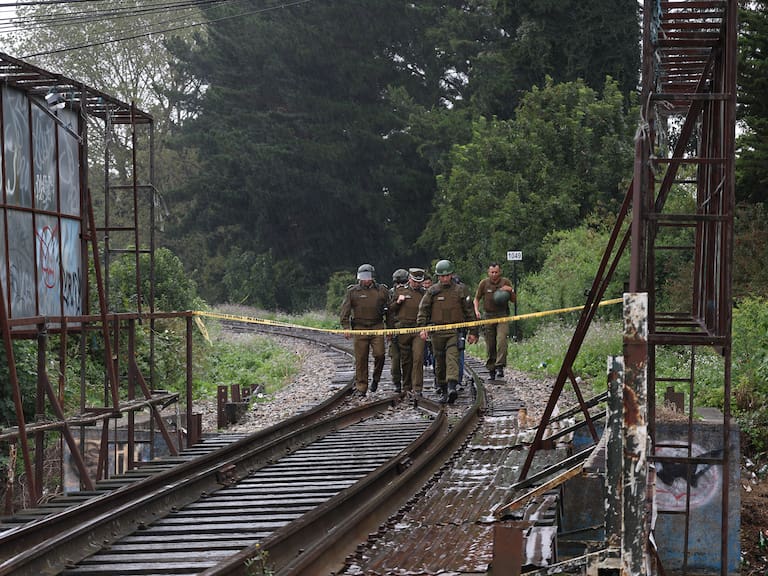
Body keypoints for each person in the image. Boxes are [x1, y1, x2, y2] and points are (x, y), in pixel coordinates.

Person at [417, 260, 478, 404]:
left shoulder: (460, 290)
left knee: (452, 357)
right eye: (441, 276)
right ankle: (443, 389)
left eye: (447, 275)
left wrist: (473, 331)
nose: (444, 278)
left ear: (451, 275)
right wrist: (422, 327)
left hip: (454, 331)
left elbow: (469, 311)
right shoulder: (432, 291)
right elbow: (423, 309)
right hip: (437, 332)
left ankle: (452, 386)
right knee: (439, 362)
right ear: (438, 276)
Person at [340, 264, 390, 396]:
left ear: (372, 277)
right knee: (361, 358)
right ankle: (361, 387)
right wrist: (346, 327)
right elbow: (345, 310)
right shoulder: (353, 292)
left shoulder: (382, 291)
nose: (366, 280)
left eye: (368, 277)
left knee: (380, 354)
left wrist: (390, 329)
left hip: (377, 326)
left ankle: (376, 379)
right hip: (360, 328)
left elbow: (389, 311)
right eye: (363, 277)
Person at [473, 262, 515, 380]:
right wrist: (476, 310)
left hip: (502, 315)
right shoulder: (484, 283)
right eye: (492, 272)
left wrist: (510, 290)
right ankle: (491, 368)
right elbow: (476, 298)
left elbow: (514, 300)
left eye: (496, 272)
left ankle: (500, 365)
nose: (494, 274)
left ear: (500, 272)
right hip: (488, 316)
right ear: (488, 272)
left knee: (502, 339)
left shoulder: (505, 282)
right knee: (490, 343)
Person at [389, 268, 427, 396]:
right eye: (415, 281)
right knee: (406, 360)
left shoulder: (425, 294)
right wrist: (398, 302)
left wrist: (426, 327)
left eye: (419, 282)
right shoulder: (400, 291)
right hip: (403, 330)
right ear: (409, 279)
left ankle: (417, 388)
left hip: (418, 329)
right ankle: (406, 386)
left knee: (418, 357)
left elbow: (429, 310)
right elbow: (390, 309)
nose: (416, 284)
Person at [388, 269, 409, 393]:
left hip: (406, 330)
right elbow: (388, 312)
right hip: (394, 329)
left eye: (403, 283)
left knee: (407, 359)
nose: (400, 285)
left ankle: (407, 384)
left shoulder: (410, 293)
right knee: (395, 360)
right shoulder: (391, 293)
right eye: (398, 283)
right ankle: (396, 382)